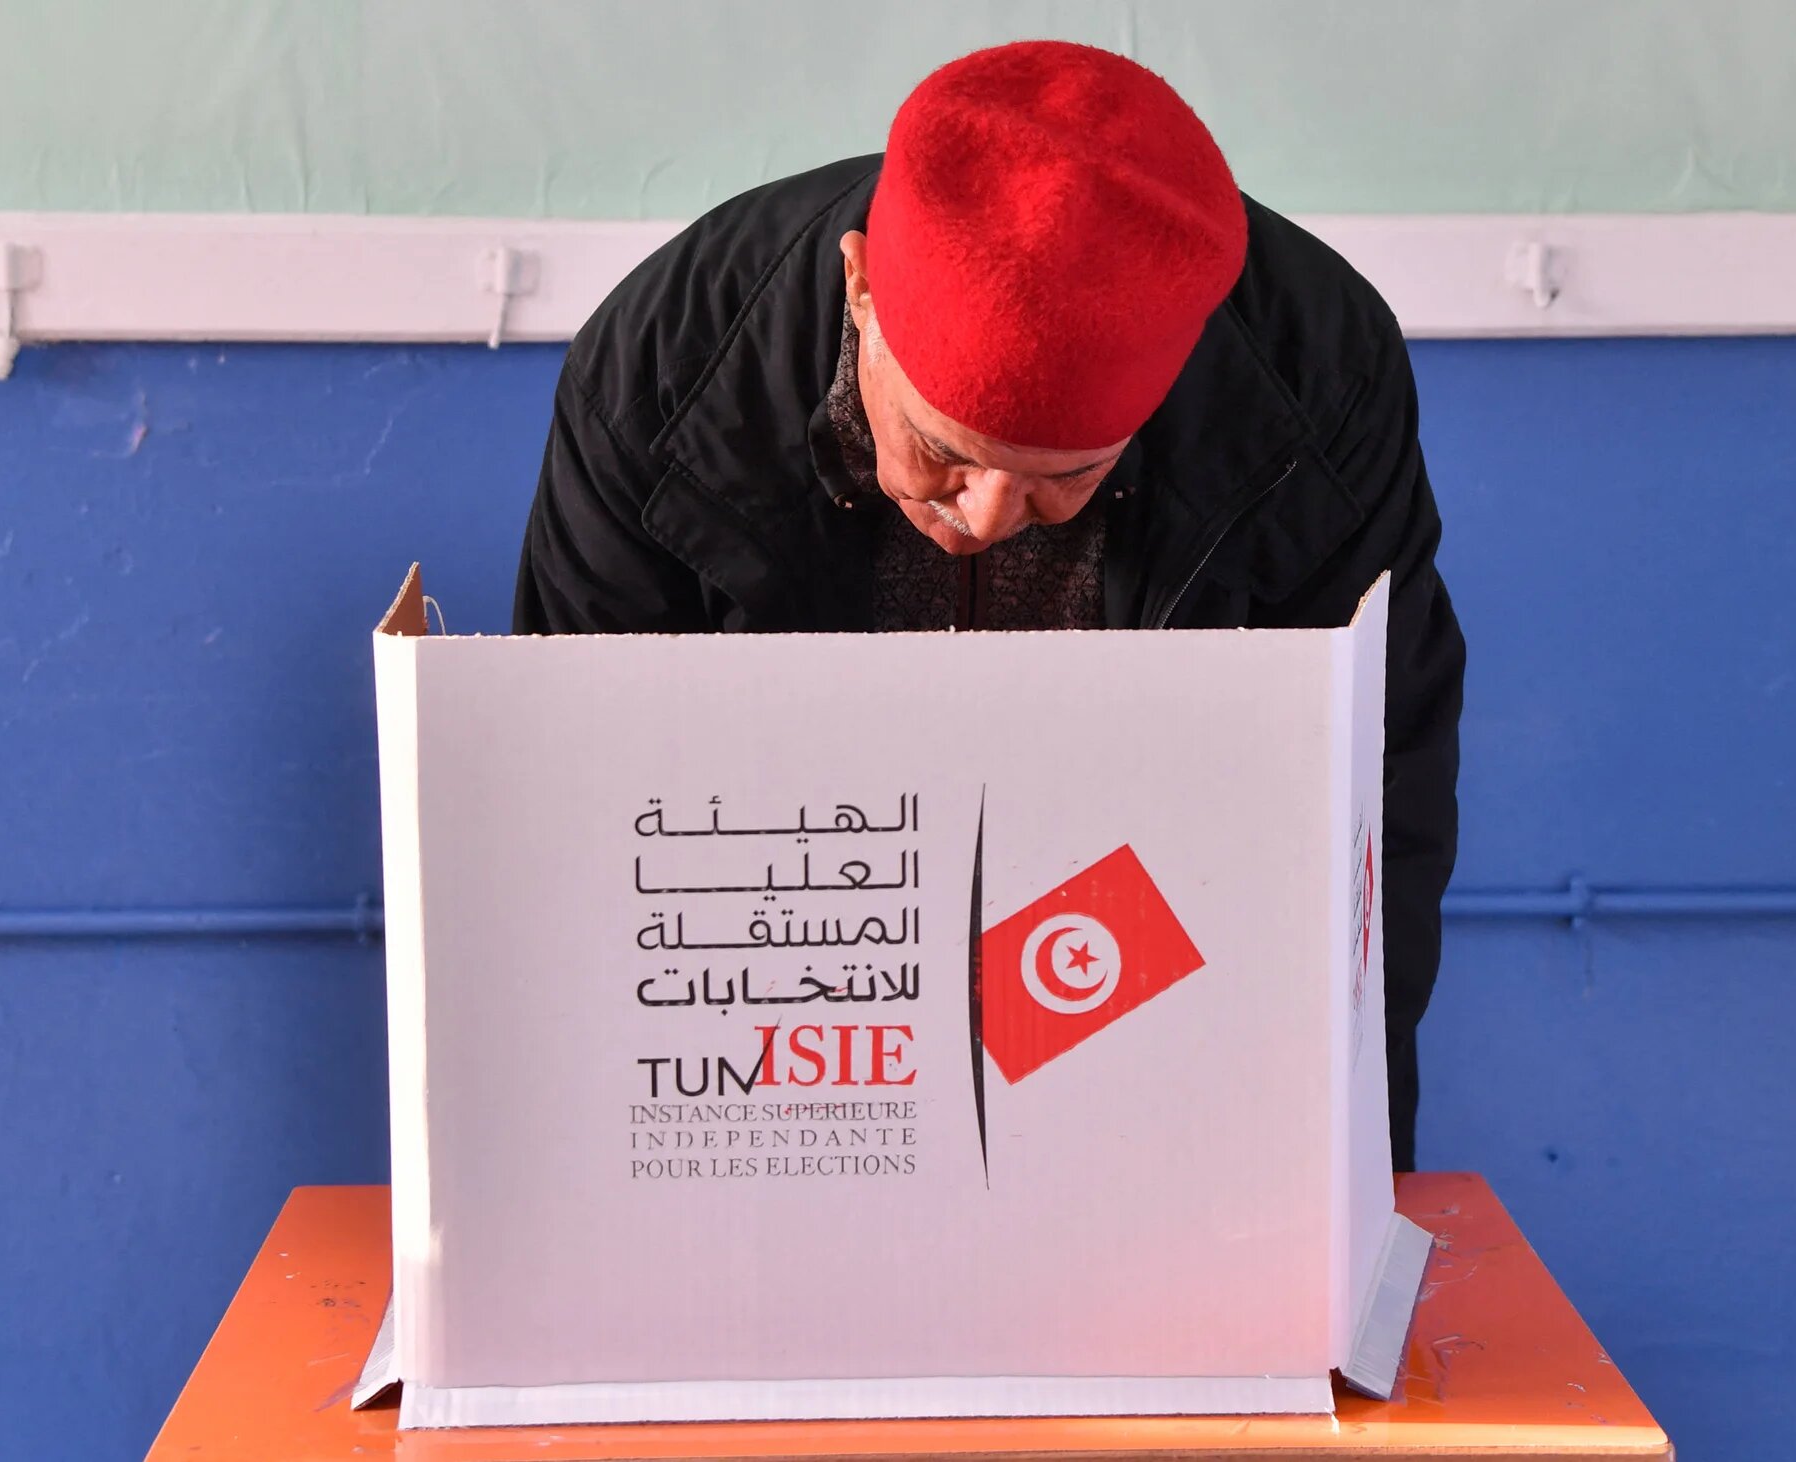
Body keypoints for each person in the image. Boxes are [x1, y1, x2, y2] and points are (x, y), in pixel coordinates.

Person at [514, 40, 1464, 1169]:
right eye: (942, 450)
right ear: (860, 289)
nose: (988, 515)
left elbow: (1368, 801)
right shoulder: (665, 369)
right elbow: (575, 803)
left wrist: (1338, 1159)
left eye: (1070, 475)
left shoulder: (1317, 379)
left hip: (1141, 946)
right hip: (772, 981)